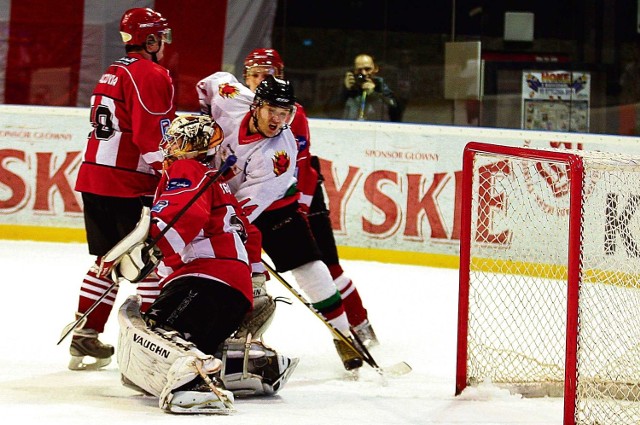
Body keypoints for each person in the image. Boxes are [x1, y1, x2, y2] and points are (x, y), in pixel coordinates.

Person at [196, 72, 364, 371]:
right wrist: (204, 117)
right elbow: (210, 82)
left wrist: (215, 221)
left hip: (274, 209)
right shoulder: (231, 98)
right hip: (224, 198)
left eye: (285, 113)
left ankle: (343, 333)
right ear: (256, 105)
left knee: (311, 268)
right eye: (272, 110)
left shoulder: (279, 154)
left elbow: (243, 212)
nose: (278, 119)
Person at [242, 48, 378, 348]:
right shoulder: (238, 109)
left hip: (301, 196)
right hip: (262, 200)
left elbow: (301, 166)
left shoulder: (293, 114)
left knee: (327, 265)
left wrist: (302, 206)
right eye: (254, 74)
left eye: (268, 74)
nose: (259, 79)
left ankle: (359, 326)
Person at [69, 7, 176, 371]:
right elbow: (151, 136)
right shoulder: (151, 73)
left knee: (109, 259)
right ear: (150, 40)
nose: (164, 44)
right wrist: (173, 173)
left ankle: (85, 332)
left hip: (94, 179)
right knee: (147, 264)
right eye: (160, 36)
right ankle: (157, 340)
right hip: (126, 184)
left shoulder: (113, 71)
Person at [342, 53, 401, 122]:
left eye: (367, 69)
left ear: (375, 69)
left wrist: (374, 94)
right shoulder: (352, 85)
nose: (363, 73)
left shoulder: (381, 85)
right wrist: (346, 90)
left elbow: (394, 108)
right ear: (354, 71)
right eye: (359, 70)